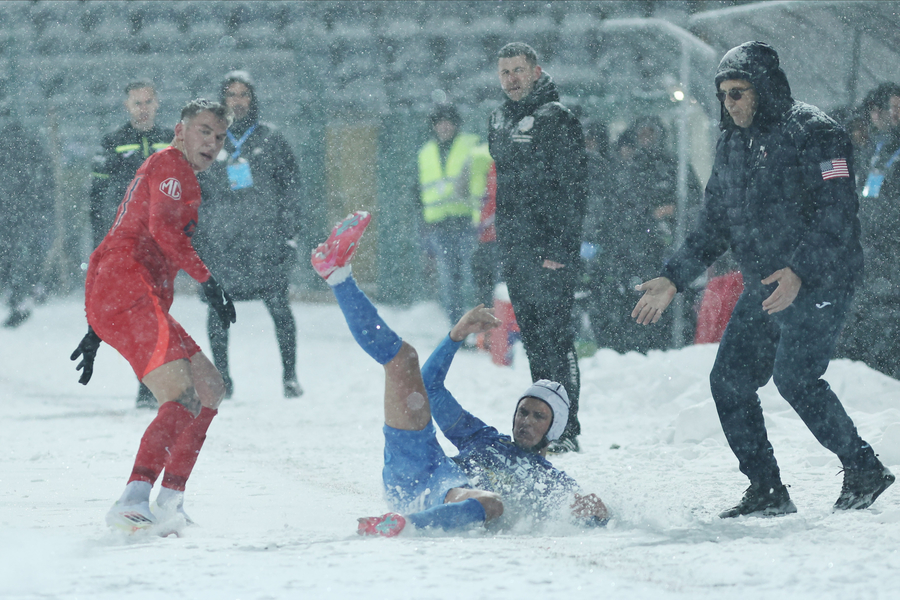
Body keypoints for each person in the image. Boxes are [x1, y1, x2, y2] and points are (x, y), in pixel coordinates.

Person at [631, 41, 894, 518]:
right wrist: (672, 278)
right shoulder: (733, 141)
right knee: (728, 381)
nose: (729, 104)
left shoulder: (817, 133)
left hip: (822, 279)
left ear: (764, 89)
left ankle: (864, 468)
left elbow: (838, 216)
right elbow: (714, 223)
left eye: (738, 93)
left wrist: (799, 270)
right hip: (766, 283)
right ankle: (767, 489)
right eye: (724, 95)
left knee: (795, 377)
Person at [310, 211, 608, 536]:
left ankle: (402, 527)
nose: (526, 420)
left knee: (492, 504)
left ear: (554, 429)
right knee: (404, 360)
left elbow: (593, 515)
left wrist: (598, 509)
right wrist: (456, 334)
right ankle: (338, 274)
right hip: (417, 467)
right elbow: (430, 388)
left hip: (448, 498)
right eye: (523, 411)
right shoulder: (482, 437)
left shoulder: (552, 480)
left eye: (539, 416)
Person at [71, 99, 236, 534]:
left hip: (130, 292)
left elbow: (125, 235)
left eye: (219, 137)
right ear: (180, 130)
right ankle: (133, 499)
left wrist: (96, 324)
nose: (212, 143)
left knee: (210, 388)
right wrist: (209, 281)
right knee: (180, 396)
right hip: (127, 288)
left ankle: (169, 502)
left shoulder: (178, 174)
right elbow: (161, 234)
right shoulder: (170, 165)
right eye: (204, 131)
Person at [488, 42, 587, 453]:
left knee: (557, 340)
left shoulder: (558, 118)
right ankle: (547, 425)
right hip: (516, 248)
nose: (511, 78)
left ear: (535, 71)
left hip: (550, 249)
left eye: (518, 70)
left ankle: (569, 428)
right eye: (504, 72)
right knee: (533, 339)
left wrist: (561, 248)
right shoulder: (496, 118)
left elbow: (574, 189)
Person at [194, 70, 304, 399]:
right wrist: (200, 239)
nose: (238, 101)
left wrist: (289, 233)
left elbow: (292, 189)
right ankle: (223, 379)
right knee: (218, 312)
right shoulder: (209, 140)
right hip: (223, 244)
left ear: (252, 100)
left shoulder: (272, 138)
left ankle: (290, 377)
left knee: (280, 309)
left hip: (265, 242)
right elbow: (196, 193)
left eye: (244, 95)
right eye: (232, 95)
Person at [89, 79, 174, 408]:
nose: (143, 107)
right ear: (126, 105)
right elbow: (97, 198)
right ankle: (149, 383)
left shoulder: (171, 141)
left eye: (148, 101)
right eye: (136, 102)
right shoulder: (112, 142)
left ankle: (155, 381)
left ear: (157, 103)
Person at [836, 83, 900, 379]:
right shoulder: (875, 149)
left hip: (888, 252)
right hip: (869, 250)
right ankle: (865, 376)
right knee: (862, 315)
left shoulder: (887, 151)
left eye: (886, 109)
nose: (881, 116)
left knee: (884, 320)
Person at [416, 103, 483, 326]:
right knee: (449, 282)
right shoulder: (425, 153)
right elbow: (418, 190)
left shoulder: (471, 146)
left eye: (448, 122)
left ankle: (480, 328)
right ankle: (457, 328)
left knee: (472, 278)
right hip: (439, 226)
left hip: (467, 222)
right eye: (440, 123)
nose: (444, 127)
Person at [0, 116, 55, 328]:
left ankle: (20, 296)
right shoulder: (31, 144)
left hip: (11, 208)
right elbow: (46, 175)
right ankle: (24, 294)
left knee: (14, 255)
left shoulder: (10, 145)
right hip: (25, 208)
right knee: (24, 254)